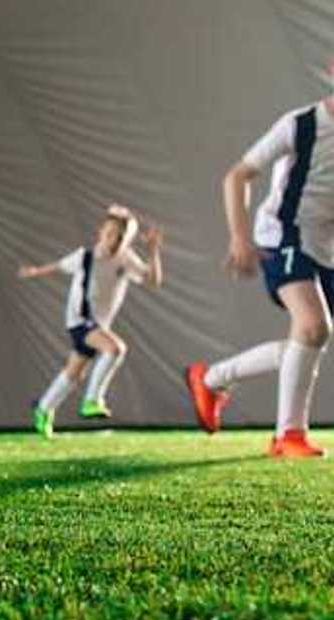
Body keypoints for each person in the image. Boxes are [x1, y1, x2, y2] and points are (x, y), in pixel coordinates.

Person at [186, 97, 334, 457]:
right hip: (283, 234)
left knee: (304, 345)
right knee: (314, 327)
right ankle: (289, 435)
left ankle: (210, 379)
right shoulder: (300, 125)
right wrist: (240, 237)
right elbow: (237, 175)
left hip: (326, 245)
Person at [19, 205, 163, 437]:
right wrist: (35, 272)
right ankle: (92, 400)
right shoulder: (84, 257)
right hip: (80, 321)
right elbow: (58, 266)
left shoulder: (125, 260)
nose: (113, 240)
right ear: (100, 233)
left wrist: (154, 251)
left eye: (120, 236)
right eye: (109, 234)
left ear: (126, 240)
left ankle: (44, 409)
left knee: (74, 372)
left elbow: (154, 282)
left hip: (99, 326)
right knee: (115, 348)